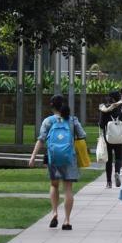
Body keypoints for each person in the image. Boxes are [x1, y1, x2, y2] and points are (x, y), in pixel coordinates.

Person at [28, 94, 86, 230]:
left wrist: (33, 157)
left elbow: (41, 139)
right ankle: (67, 220)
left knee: (54, 185)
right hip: (69, 157)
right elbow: (82, 135)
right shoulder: (72, 120)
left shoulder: (48, 121)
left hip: (53, 157)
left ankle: (54, 213)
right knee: (68, 189)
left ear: (52, 106)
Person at [99, 91, 122, 188]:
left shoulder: (105, 109)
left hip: (108, 137)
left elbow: (101, 124)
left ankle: (108, 182)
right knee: (119, 157)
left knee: (109, 159)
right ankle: (117, 172)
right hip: (119, 137)